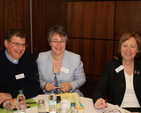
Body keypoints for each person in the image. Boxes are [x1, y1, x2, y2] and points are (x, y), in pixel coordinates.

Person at [92, 31, 141, 109]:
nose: (128, 50)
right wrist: (98, 99)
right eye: (125, 46)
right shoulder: (111, 67)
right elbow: (99, 89)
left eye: (132, 46)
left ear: (137, 49)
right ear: (120, 48)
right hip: (117, 109)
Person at [37, 24, 86, 96]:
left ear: (66, 42)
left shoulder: (75, 58)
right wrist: (44, 85)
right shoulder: (41, 57)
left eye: (62, 41)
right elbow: (37, 80)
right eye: (55, 41)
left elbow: (82, 79)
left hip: (71, 98)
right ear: (50, 42)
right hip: (49, 99)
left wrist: (71, 85)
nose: (59, 45)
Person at [0, 28, 40, 108]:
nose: (21, 48)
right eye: (17, 44)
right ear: (6, 44)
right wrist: (5, 103)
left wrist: (11, 95)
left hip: (25, 106)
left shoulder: (29, 59)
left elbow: (34, 87)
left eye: (23, 44)